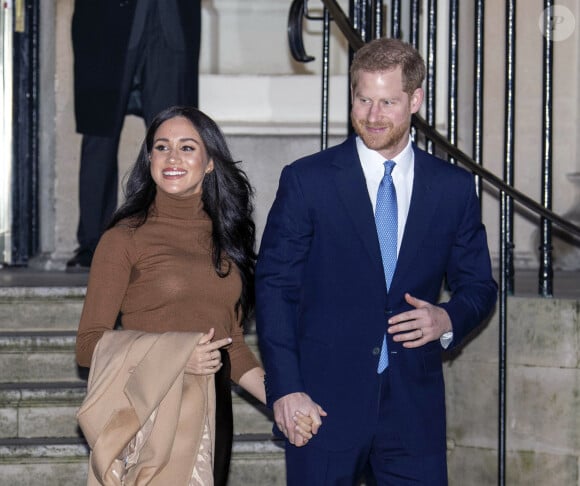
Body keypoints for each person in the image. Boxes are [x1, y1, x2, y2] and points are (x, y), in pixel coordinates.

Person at [255, 37, 498, 485]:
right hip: (320, 406)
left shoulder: (452, 189)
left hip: (414, 412)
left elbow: (480, 286)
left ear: (416, 100)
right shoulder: (307, 181)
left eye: (387, 102)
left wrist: (447, 319)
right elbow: (274, 288)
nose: (372, 116)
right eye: (363, 99)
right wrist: (286, 389)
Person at [76, 106, 312, 485]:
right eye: (161, 147)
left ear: (209, 163)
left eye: (187, 148)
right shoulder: (123, 238)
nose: (171, 158)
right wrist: (177, 355)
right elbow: (88, 347)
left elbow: (231, 346)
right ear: (149, 158)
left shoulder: (228, 239)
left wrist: (284, 400)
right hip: (150, 410)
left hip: (213, 410)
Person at [67, 0, 202, 271]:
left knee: (174, 134)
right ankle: (94, 242)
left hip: (169, 18)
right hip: (105, 21)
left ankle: (174, 236)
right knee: (100, 134)